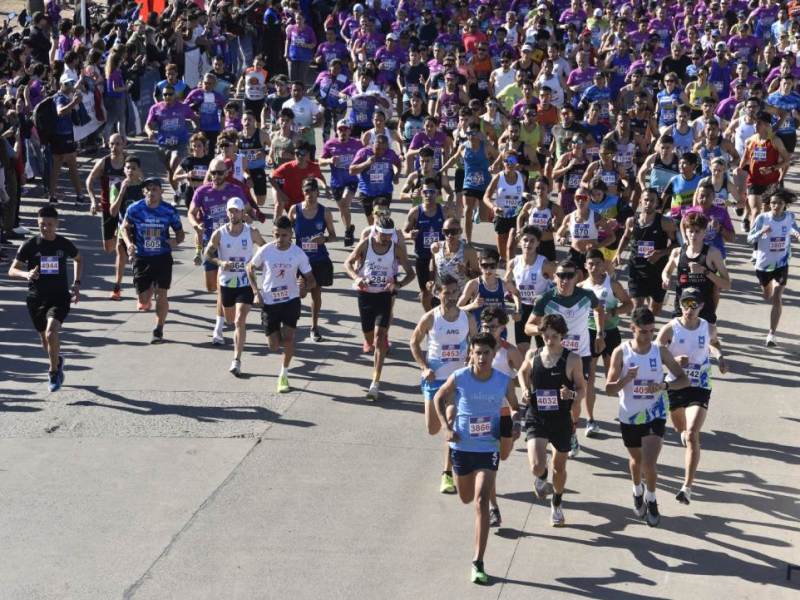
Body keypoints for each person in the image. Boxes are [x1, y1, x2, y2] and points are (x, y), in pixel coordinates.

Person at [433, 332, 517, 584]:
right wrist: (446, 428)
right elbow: (439, 397)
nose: (481, 357)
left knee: (481, 500)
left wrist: (516, 423)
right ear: (471, 353)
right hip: (462, 449)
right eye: (477, 352)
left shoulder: (503, 380)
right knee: (466, 497)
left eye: (486, 353)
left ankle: (478, 561)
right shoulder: (460, 377)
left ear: (494, 355)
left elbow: (515, 406)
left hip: (487, 448)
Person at [605, 306, 690, 527]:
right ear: (632, 328)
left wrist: (663, 385)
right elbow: (609, 389)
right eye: (643, 331)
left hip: (654, 413)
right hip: (629, 416)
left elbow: (684, 380)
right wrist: (626, 380)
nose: (647, 336)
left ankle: (651, 500)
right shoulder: (621, 352)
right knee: (636, 462)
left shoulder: (659, 351)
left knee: (650, 463)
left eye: (651, 331)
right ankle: (637, 491)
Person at [525, 259, 606, 457]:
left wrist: (600, 333)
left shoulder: (586, 295)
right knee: (556, 399)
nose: (565, 280)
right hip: (554, 355)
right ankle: (548, 432)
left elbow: (599, 310)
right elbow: (528, 327)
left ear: (577, 276)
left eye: (569, 275)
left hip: (581, 355)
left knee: (576, 397)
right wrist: (546, 331)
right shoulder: (546, 299)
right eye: (561, 275)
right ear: (555, 277)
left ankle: (571, 431)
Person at [656, 288, 728, 505]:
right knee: (680, 428)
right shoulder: (670, 329)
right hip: (676, 384)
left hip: (700, 384)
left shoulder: (708, 327)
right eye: (686, 303)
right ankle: (684, 434)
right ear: (680, 304)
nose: (689, 308)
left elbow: (714, 343)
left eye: (694, 304)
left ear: (701, 307)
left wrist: (720, 356)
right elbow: (654, 355)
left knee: (692, 434)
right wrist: (674, 361)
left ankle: (687, 487)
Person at [409, 275, 477, 494]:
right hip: (435, 380)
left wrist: (472, 360)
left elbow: (476, 343)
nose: (450, 297)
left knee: (451, 424)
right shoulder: (431, 318)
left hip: (458, 381)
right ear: (438, 294)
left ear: (459, 293)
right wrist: (423, 367)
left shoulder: (467, 318)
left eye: (454, 292)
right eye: (446, 293)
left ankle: (447, 474)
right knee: (433, 428)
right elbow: (413, 342)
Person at [518, 313, 586, 526]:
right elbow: (522, 372)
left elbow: (583, 389)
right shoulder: (533, 354)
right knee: (537, 466)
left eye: (554, 336)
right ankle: (541, 477)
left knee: (559, 467)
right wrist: (525, 389)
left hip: (560, 420)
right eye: (546, 335)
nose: (549, 340)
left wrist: (572, 395)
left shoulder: (572, 359)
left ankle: (557, 503)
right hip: (536, 416)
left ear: (562, 336)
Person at [8, 205, 83, 392]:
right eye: (42, 224)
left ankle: (53, 372)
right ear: (38, 223)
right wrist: (26, 275)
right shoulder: (30, 245)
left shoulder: (64, 244)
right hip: (36, 298)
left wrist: (77, 283)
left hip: (59, 297)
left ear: (56, 224)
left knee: (51, 333)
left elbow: (79, 259)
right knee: (44, 339)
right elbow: (12, 270)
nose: (45, 228)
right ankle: (57, 360)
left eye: (49, 224)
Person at [344, 216, 415, 400]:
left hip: (384, 295)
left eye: (389, 235)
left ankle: (375, 382)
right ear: (375, 231)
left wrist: (397, 285)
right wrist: (357, 278)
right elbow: (348, 263)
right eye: (383, 234)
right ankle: (371, 345)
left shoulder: (395, 248)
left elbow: (410, 273)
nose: (386, 238)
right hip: (365, 295)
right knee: (369, 339)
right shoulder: (365, 245)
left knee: (380, 337)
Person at [246, 216, 317, 393]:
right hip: (269, 302)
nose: (280, 239)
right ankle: (286, 354)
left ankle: (283, 374)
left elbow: (312, 280)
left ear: (291, 234)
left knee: (289, 338)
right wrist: (256, 292)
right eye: (276, 235)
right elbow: (250, 268)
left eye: (284, 235)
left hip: (290, 301)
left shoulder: (298, 253)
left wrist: (304, 289)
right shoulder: (265, 250)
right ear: (272, 233)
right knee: (273, 345)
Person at [204, 197, 266, 376]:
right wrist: (220, 262)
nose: (233, 214)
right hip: (227, 283)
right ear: (227, 212)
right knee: (231, 320)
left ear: (242, 213)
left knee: (240, 321)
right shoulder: (219, 233)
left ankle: (236, 360)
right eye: (231, 211)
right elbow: (207, 254)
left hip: (246, 282)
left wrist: (257, 264)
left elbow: (265, 249)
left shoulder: (251, 232)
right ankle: (229, 335)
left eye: (237, 211)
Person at [190, 158, 248, 344]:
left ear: (227, 173)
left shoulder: (235, 190)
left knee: (221, 287)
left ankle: (218, 329)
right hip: (211, 242)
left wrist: (247, 218)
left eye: (220, 173)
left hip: (231, 244)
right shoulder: (202, 191)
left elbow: (246, 209)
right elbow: (191, 212)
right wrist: (196, 225)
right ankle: (226, 312)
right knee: (211, 286)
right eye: (213, 172)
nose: (216, 176)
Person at [120, 178, 185, 344]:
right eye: (148, 189)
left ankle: (158, 329)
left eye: (155, 189)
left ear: (161, 192)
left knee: (161, 293)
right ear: (143, 192)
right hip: (142, 257)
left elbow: (180, 233)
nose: (151, 192)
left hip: (162, 256)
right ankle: (147, 291)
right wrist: (129, 244)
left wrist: (175, 242)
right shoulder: (135, 209)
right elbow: (124, 228)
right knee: (143, 300)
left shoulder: (169, 210)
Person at [580, 249, 633, 436]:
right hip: (589, 334)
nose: (594, 267)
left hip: (610, 333)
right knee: (590, 378)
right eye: (590, 264)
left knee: (615, 377)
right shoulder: (581, 287)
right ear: (585, 266)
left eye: (597, 263)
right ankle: (590, 419)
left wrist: (613, 313)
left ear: (604, 264)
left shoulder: (613, 285)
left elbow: (629, 304)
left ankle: (626, 413)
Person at [747, 190, 800, 346]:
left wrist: (797, 234)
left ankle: (771, 334)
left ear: (785, 205)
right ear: (769, 204)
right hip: (763, 264)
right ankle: (766, 288)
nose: (776, 206)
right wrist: (761, 232)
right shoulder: (763, 218)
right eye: (773, 203)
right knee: (767, 294)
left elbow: (795, 229)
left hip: (781, 263)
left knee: (777, 296)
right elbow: (750, 238)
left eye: (779, 203)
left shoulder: (790, 217)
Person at [613, 188, 677, 316]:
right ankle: (637, 334)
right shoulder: (631, 221)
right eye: (646, 200)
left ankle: (648, 332)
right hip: (636, 268)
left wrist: (660, 253)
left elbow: (677, 244)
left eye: (652, 200)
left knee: (655, 310)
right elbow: (626, 237)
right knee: (637, 308)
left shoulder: (665, 222)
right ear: (641, 201)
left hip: (657, 270)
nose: (648, 203)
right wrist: (618, 253)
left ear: (657, 203)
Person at [287, 178, 337, 342]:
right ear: (303, 191)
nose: (310, 194)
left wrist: (325, 240)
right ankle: (289, 324)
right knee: (298, 294)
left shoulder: (325, 212)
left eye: (313, 190)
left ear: (317, 192)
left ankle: (314, 327)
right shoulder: (295, 210)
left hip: (318, 259)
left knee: (316, 294)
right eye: (307, 190)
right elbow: (286, 233)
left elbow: (334, 236)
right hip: (299, 260)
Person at [662, 212, 731, 325]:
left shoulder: (713, 254)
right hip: (682, 308)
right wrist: (666, 278)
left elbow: (727, 285)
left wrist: (705, 272)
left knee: (708, 342)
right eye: (691, 231)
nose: (693, 235)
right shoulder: (677, 252)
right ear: (686, 232)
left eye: (697, 231)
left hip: (704, 310)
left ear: (704, 232)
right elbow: (666, 271)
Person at [84, 134, 126, 298]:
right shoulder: (104, 162)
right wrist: (93, 200)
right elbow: (89, 180)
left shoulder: (130, 162)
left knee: (119, 249)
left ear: (124, 144)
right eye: (111, 144)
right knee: (108, 247)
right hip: (108, 208)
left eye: (117, 144)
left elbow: (141, 179)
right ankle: (121, 242)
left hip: (125, 209)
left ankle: (117, 286)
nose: (114, 147)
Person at [504, 225, 555, 352]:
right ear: (520, 241)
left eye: (532, 241)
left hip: (541, 310)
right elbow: (508, 283)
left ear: (538, 243)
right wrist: (517, 306)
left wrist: (543, 298)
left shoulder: (544, 264)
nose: (528, 244)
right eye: (525, 240)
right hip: (523, 308)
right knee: (522, 349)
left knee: (543, 350)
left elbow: (560, 286)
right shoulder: (513, 263)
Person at [739, 111, 790, 232]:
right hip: (754, 181)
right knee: (756, 211)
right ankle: (754, 241)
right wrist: (739, 168)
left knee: (766, 214)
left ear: (767, 125)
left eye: (759, 123)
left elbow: (787, 160)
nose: (755, 125)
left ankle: (764, 239)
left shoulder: (775, 141)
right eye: (755, 123)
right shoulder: (750, 140)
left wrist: (772, 169)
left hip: (770, 182)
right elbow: (745, 157)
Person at [403, 178, 447, 311]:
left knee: (444, 291)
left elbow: (455, 231)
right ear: (421, 193)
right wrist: (409, 235)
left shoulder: (444, 211)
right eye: (425, 192)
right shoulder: (415, 212)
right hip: (422, 257)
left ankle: (443, 316)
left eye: (432, 192)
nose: (428, 195)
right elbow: (404, 232)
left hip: (441, 257)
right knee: (425, 292)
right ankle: (429, 317)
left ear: (438, 193)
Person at [318, 120, 363, 246]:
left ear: (350, 130)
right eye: (340, 129)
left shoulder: (357, 144)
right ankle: (348, 228)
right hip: (336, 182)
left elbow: (365, 155)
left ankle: (348, 232)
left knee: (344, 205)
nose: (343, 132)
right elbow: (320, 161)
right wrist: (329, 160)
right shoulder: (330, 144)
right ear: (336, 131)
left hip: (351, 180)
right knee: (342, 208)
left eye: (345, 129)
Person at [349, 134, 402, 225]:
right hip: (367, 193)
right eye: (377, 149)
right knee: (372, 223)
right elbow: (352, 171)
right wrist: (366, 163)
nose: (380, 152)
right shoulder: (364, 153)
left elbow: (398, 164)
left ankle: (381, 236)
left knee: (381, 221)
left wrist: (396, 175)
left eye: (383, 149)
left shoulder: (390, 153)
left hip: (384, 193)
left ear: (387, 147)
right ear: (372, 144)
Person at [483, 153, 526, 264]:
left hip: (516, 216)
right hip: (501, 215)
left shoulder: (521, 176)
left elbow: (521, 193)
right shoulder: (498, 177)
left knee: (512, 242)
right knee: (502, 243)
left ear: (516, 162)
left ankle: (511, 263)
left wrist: (526, 196)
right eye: (506, 161)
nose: (509, 163)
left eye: (512, 160)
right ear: (503, 162)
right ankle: (503, 258)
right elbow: (486, 197)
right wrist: (494, 207)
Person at [50, 75, 85, 205]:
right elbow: (60, 112)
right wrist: (74, 103)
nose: (70, 85)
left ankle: (52, 196)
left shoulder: (64, 96)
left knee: (59, 166)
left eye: (72, 83)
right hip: (63, 136)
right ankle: (79, 196)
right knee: (70, 166)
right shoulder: (60, 98)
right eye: (67, 83)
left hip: (62, 136)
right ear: (61, 85)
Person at [271, 141, 327, 218]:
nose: (300, 156)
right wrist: (281, 194)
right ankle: (276, 226)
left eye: (303, 153)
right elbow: (271, 178)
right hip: (288, 199)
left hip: (302, 201)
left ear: (308, 154)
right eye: (297, 153)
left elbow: (320, 177)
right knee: (279, 205)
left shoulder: (314, 167)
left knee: (298, 222)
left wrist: (325, 187)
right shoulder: (287, 167)